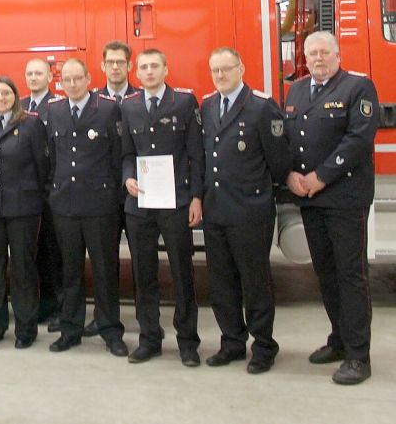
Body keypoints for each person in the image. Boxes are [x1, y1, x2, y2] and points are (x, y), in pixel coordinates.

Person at [284, 31, 378, 385]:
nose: (318, 58)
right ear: (305, 58)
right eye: (312, 54)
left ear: (338, 55)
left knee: (350, 275)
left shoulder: (357, 87)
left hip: (344, 197)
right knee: (325, 273)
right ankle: (338, 340)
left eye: (325, 52)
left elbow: (358, 139)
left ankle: (358, 355)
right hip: (310, 198)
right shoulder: (296, 90)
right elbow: (290, 139)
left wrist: (321, 176)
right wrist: (290, 174)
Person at [201, 47, 289, 374]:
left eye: (226, 69)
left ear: (241, 68)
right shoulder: (208, 105)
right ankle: (232, 343)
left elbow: (279, 161)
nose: (220, 76)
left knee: (255, 283)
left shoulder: (262, 107)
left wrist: (264, 197)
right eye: (215, 70)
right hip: (216, 210)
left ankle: (263, 346)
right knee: (221, 283)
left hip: (250, 211)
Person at [120, 49, 203, 366]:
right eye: (144, 67)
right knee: (143, 275)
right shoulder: (128, 106)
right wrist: (128, 178)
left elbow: (196, 153)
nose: (149, 71)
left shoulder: (183, 103)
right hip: (140, 204)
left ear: (166, 69)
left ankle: (188, 343)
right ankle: (149, 339)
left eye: (155, 66)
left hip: (176, 202)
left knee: (182, 274)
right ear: (136, 73)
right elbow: (127, 153)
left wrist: (196, 196)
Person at [45, 59, 128, 357]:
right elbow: (52, 156)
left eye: (77, 78)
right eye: (66, 79)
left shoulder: (107, 109)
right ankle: (70, 330)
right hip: (65, 205)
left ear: (89, 78)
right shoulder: (54, 110)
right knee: (70, 272)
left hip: (99, 204)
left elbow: (118, 156)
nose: (72, 84)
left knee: (105, 271)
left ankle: (110, 331)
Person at [0, 75, 49, 348]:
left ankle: (25, 329)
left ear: (16, 96)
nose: (0, 98)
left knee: (23, 268)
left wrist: (35, 196)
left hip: (23, 208)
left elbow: (42, 164)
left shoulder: (31, 123)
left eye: (6, 93)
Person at [83, 41, 138, 337]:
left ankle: (147, 321)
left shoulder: (141, 99)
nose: (115, 67)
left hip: (137, 193)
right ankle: (103, 317)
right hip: (102, 196)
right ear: (102, 66)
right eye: (110, 62)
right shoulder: (91, 102)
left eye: (121, 62)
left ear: (130, 66)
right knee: (104, 262)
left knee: (142, 260)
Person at [22, 58, 62, 326]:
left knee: (54, 253)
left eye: (39, 73)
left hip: (53, 191)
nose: (34, 77)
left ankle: (58, 306)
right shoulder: (20, 107)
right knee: (32, 253)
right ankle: (39, 304)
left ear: (50, 76)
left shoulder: (57, 106)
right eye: (29, 74)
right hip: (27, 193)